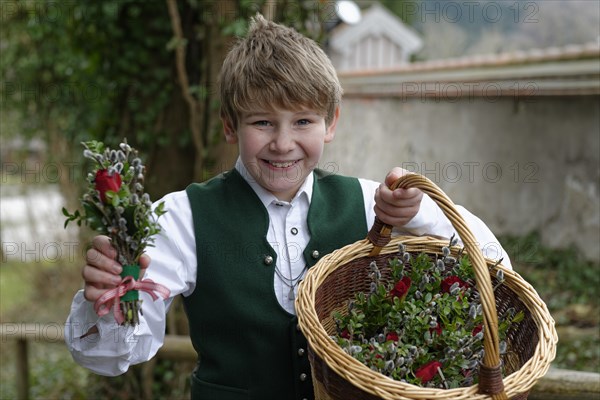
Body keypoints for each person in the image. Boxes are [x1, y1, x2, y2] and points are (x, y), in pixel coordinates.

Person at [65, 14, 511, 400]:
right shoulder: (181, 217)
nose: (283, 143)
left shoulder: (365, 200)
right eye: (262, 122)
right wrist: (108, 298)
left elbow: (496, 267)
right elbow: (110, 356)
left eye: (303, 121)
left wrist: (419, 213)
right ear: (229, 124)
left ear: (331, 123)